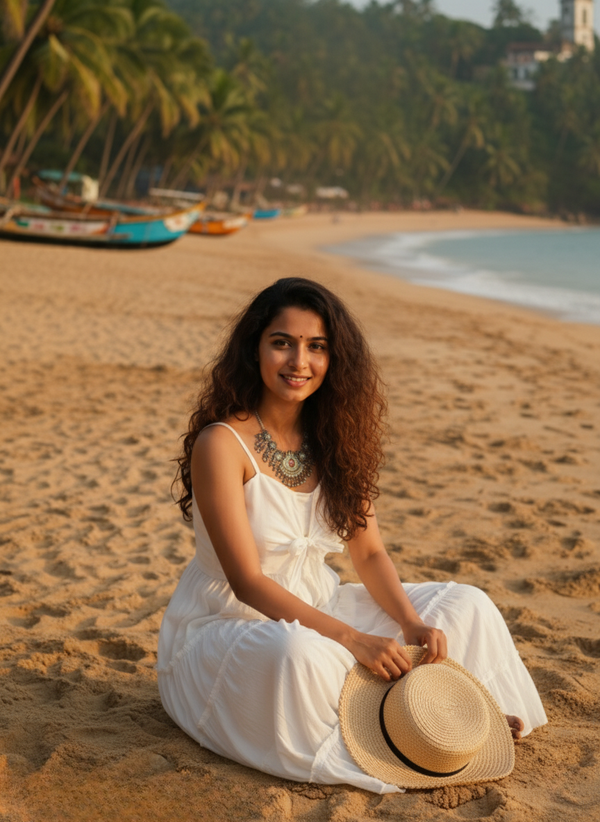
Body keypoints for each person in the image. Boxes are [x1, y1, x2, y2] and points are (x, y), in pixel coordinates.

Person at [157, 277, 547, 794]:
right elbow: (247, 582)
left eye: (316, 347)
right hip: (233, 624)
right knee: (299, 654)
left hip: (321, 605)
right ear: (254, 349)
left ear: (334, 358)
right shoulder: (221, 444)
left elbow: (370, 551)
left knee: (464, 607)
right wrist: (352, 638)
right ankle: (385, 743)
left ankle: (455, 728)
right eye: (282, 342)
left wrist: (410, 623)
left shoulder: (333, 439)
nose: (299, 361)